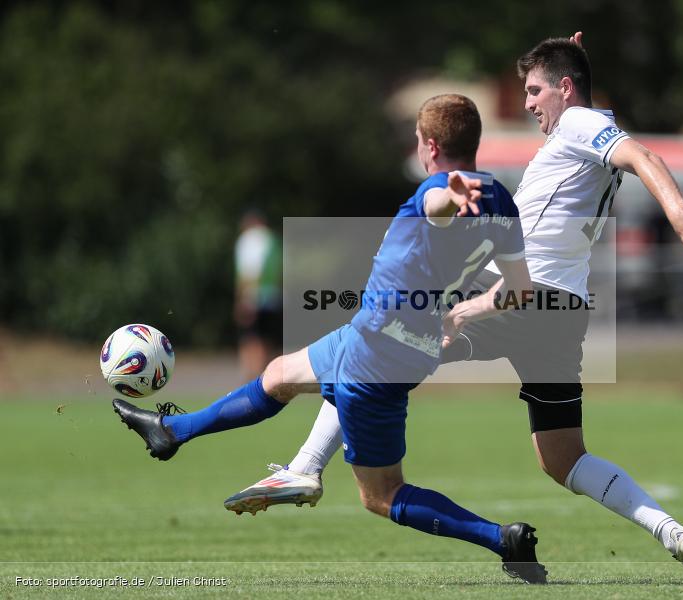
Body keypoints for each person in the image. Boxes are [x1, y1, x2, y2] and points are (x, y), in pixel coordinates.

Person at [225, 33, 683, 581]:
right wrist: (567, 51)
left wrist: (680, 215)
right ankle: (671, 531)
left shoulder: (579, 124)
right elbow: (608, 130)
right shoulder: (587, 125)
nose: (530, 102)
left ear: (567, 88)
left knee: (377, 346)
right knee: (563, 458)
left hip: (512, 297)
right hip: (562, 313)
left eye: (536, 90)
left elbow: (642, 155)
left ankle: (304, 468)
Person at [113, 94, 548, 584]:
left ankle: (501, 539)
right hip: (389, 337)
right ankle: (174, 433)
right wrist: (466, 311)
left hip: (378, 351)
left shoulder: (437, 188)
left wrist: (448, 190)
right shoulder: (501, 201)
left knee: (381, 495)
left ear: (430, 145)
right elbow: (519, 289)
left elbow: (437, 205)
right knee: (278, 375)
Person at [234, 210, 283, 382]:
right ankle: (269, 379)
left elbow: (249, 272)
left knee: (251, 339)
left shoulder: (249, 239)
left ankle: (253, 382)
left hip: (254, 297)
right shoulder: (273, 240)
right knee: (269, 340)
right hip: (273, 298)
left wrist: (243, 300)